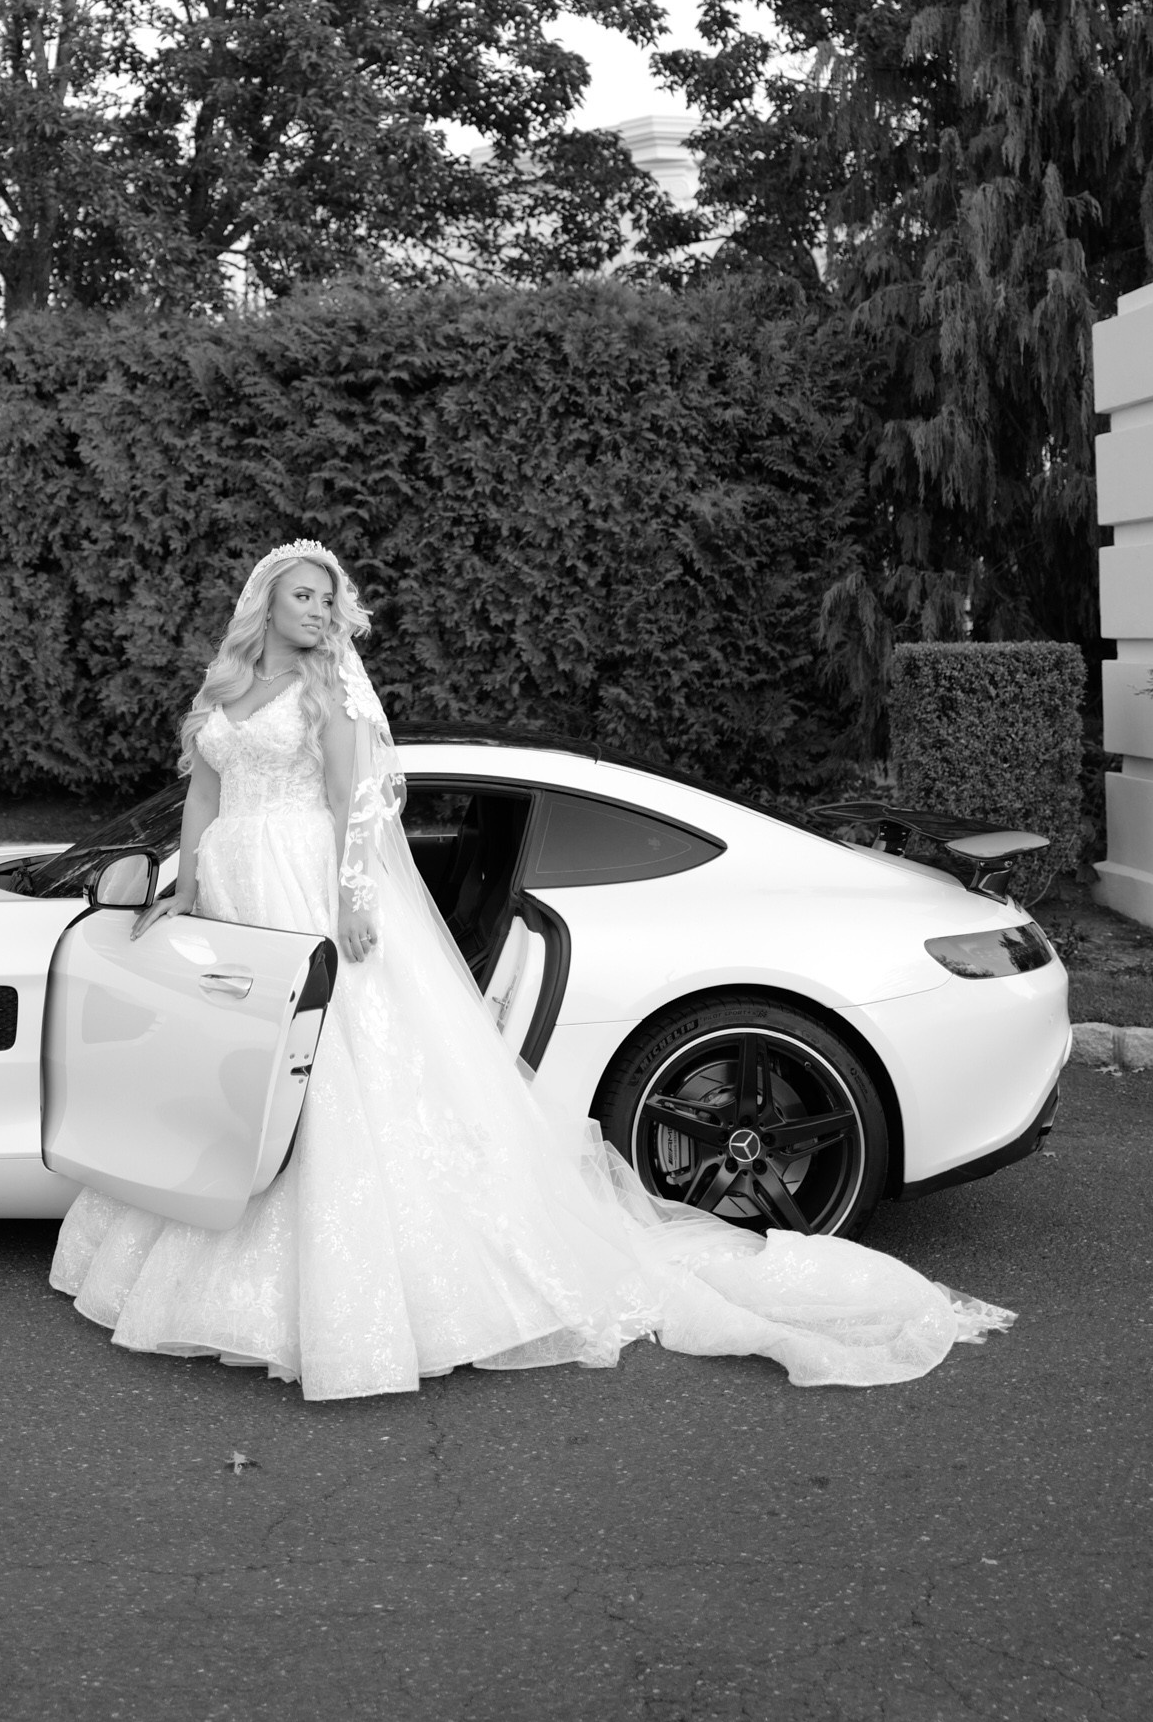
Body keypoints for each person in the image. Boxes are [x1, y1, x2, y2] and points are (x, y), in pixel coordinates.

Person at [53, 541, 1013, 1402]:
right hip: (232, 894)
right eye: (303, 595)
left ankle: (355, 1296)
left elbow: (357, 807)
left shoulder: (329, 693)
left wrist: (352, 897)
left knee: (323, 1078)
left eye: (328, 599)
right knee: (231, 1080)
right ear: (265, 600)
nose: (318, 610)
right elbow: (204, 795)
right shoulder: (226, 692)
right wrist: (183, 892)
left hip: (304, 889)